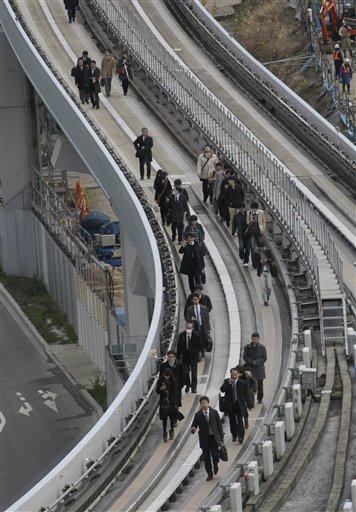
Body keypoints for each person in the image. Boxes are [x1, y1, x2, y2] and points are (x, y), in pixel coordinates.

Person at [191, 396, 224, 481]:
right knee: (206, 458)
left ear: (208, 403)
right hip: (204, 439)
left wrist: (221, 437)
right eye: (202, 403)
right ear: (200, 404)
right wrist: (193, 429)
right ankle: (209, 473)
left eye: (205, 403)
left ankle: (215, 464)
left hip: (214, 438)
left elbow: (219, 425)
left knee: (215, 454)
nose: (204, 405)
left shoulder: (214, 412)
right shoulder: (198, 415)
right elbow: (194, 425)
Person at [220, 366, 249, 443]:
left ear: (238, 374)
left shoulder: (243, 383)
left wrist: (249, 404)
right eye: (232, 374)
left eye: (235, 374)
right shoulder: (227, 381)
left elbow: (247, 394)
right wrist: (228, 384)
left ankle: (241, 437)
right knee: (232, 421)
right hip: (230, 405)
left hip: (239, 405)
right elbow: (222, 389)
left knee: (239, 420)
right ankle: (234, 435)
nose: (234, 376)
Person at [177, 321, 204, 394]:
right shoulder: (181, 335)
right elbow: (179, 347)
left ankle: (194, 387)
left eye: (190, 328)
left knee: (194, 373)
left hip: (194, 357)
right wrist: (178, 357)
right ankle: (188, 385)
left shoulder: (197, 335)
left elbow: (201, 345)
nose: (188, 329)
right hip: (185, 357)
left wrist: (198, 352)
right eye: (187, 327)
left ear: (192, 328)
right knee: (185, 372)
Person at [156, 368, 180, 442]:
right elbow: (157, 391)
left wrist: (175, 402)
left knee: (172, 417)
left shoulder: (173, 381)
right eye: (165, 376)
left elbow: (175, 392)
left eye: (168, 376)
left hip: (171, 403)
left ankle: (172, 430)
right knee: (164, 418)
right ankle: (164, 433)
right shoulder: (160, 381)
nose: (166, 377)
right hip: (164, 403)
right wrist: (161, 389)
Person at [243, 333, 267, 404]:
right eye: (253, 339)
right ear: (251, 339)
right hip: (250, 369)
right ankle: (251, 400)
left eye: (256, 339)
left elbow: (264, 358)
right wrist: (251, 362)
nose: (255, 340)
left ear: (258, 339)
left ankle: (260, 398)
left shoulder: (262, 348)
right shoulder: (247, 347)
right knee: (250, 385)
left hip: (259, 369)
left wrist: (256, 362)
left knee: (260, 385)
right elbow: (245, 357)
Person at [252, 239, 276, 306]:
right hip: (261, 272)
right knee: (263, 287)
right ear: (259, 247)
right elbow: (254, 262)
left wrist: (267, 260)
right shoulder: (255, 253)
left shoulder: (267, 251)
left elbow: (272, 258)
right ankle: (265, 300)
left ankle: (267, 297)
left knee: (269, 287)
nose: (263, 249)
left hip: (268, 271)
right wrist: (259, 262)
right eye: (262, 247)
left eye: (263, 247)